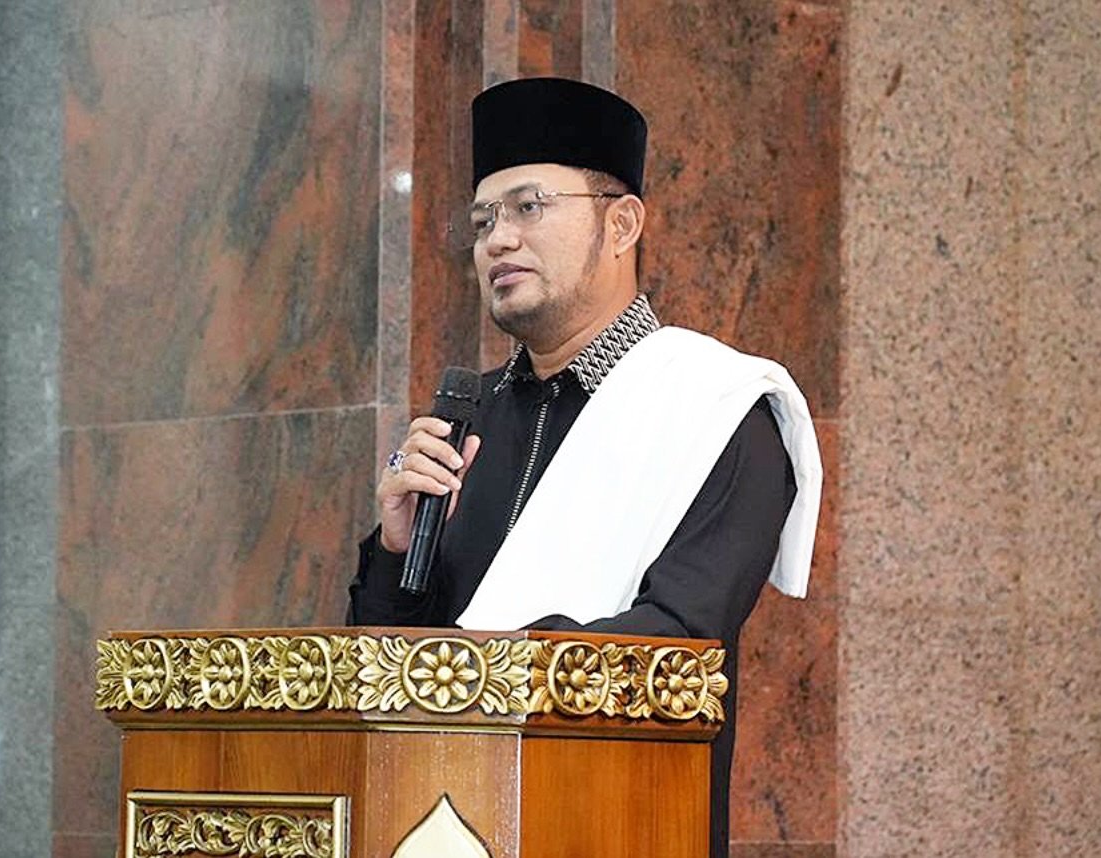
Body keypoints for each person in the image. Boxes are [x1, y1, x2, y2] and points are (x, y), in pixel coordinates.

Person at [347, 77, 822, 858]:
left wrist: (474, 670)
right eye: (483, 221)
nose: (498, 240)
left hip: (621, 823)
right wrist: (398, 552)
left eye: (529, 207)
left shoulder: (716, 409)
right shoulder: (469, 420)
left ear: (621, 223)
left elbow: (675, 647)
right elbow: (384, 676)